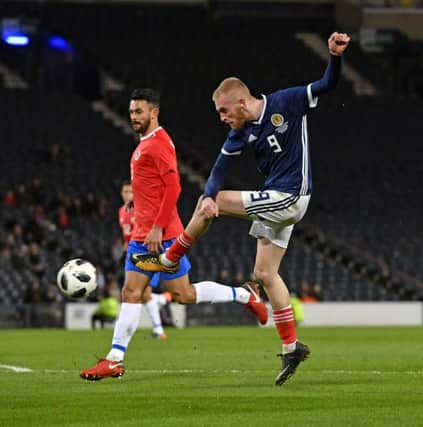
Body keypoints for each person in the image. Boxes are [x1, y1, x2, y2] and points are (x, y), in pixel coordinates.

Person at [132, 32, 351, 385]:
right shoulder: (241, 131)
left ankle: (171, 258)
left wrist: (335, 56)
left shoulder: (288, 102)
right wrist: (206, 195)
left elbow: (328, 84)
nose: (220, 118)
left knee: (216, 202)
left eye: (223, 110)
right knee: (264, 274)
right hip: (275, 200)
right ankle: (291, 347)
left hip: (293, 195)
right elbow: (219, 168)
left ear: (241, 102)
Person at [80, 88, 267, 381]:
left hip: (160, 234)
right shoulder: (144, 144)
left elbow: (174, 188)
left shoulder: (159, 143)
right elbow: (151, 187)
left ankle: (243, 294)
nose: (133, 117)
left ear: (154, 112)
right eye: (131, 112)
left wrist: (156, 226)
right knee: (142, 292)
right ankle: (115, 359)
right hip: (144, 235)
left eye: (139, 112)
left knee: (182, 295)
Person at [118, 179, 170, 339]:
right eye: (125, 192)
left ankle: (158, 329)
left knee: (143, 292)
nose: (127, 195)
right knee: (143, 294)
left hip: (148, 252)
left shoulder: (142, 209)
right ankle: (162, 301)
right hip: (132, 254)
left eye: (130, 192)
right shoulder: (122, 211)